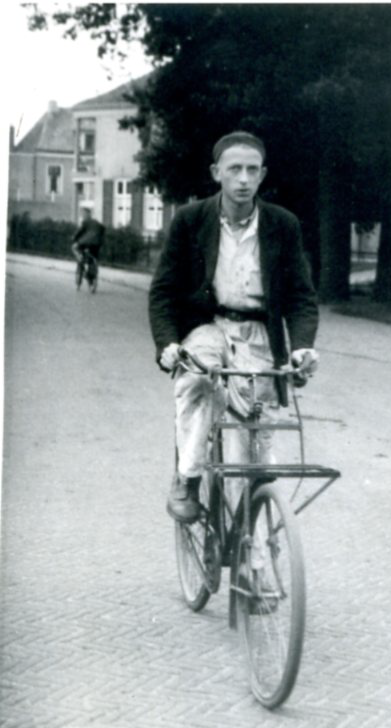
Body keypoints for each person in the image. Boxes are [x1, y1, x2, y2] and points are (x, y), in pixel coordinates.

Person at [148, 131, 319, 522]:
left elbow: (301, 297)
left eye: (252, 170)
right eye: (235, 169)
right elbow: (162, 291)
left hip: (259, 336)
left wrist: (302, 347)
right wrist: (168, 344)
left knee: (256, 450)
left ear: (262, 176)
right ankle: (187, 478)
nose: (243, 179)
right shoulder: (191, 220)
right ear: (216, 173)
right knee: (196, 380)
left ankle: (253, 554)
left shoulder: (283, 225)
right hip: (209, 326)